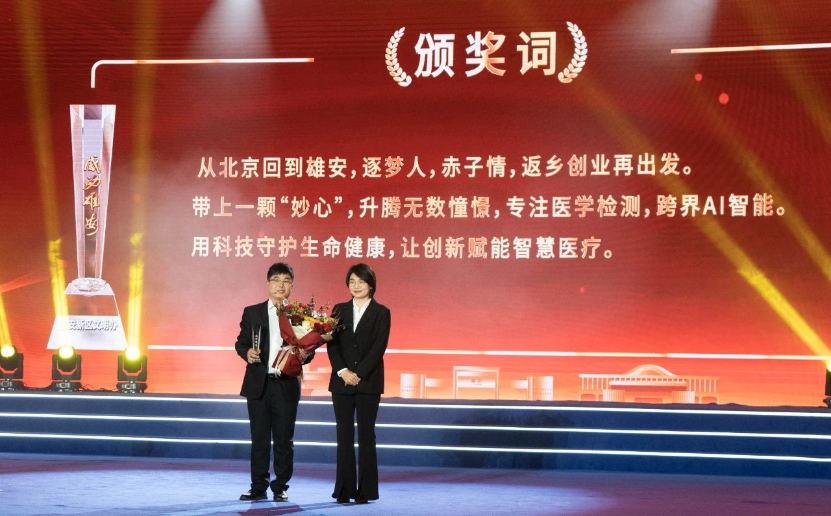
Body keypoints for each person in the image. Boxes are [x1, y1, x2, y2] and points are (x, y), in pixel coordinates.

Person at [235, 262, 313, 502]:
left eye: (286, 281)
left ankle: (280, 487)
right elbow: (241, 342)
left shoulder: (299, 315)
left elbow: (309, 349)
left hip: (286, 384)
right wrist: (247, 352)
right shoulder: (252, 312)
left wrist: (305, 354)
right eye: (276, 280)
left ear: (292, 286)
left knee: (283, 439)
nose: (281, 285)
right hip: (259, 384)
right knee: (259, 439)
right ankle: (258, 486)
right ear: (268, 284)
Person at [327, 263, 391, 504]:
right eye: (352, 281)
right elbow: (332, 344)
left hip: (368, 382)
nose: (356, 286)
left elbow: (378, 347)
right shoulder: (339, 309)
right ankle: (344, 489)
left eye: (361, 281)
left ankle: (366, 491)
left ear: (371, 285)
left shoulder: (381, 312)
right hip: (341, 382)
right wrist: (343, 371)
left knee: (366, 436)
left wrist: (359, 373)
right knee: (343, 436)